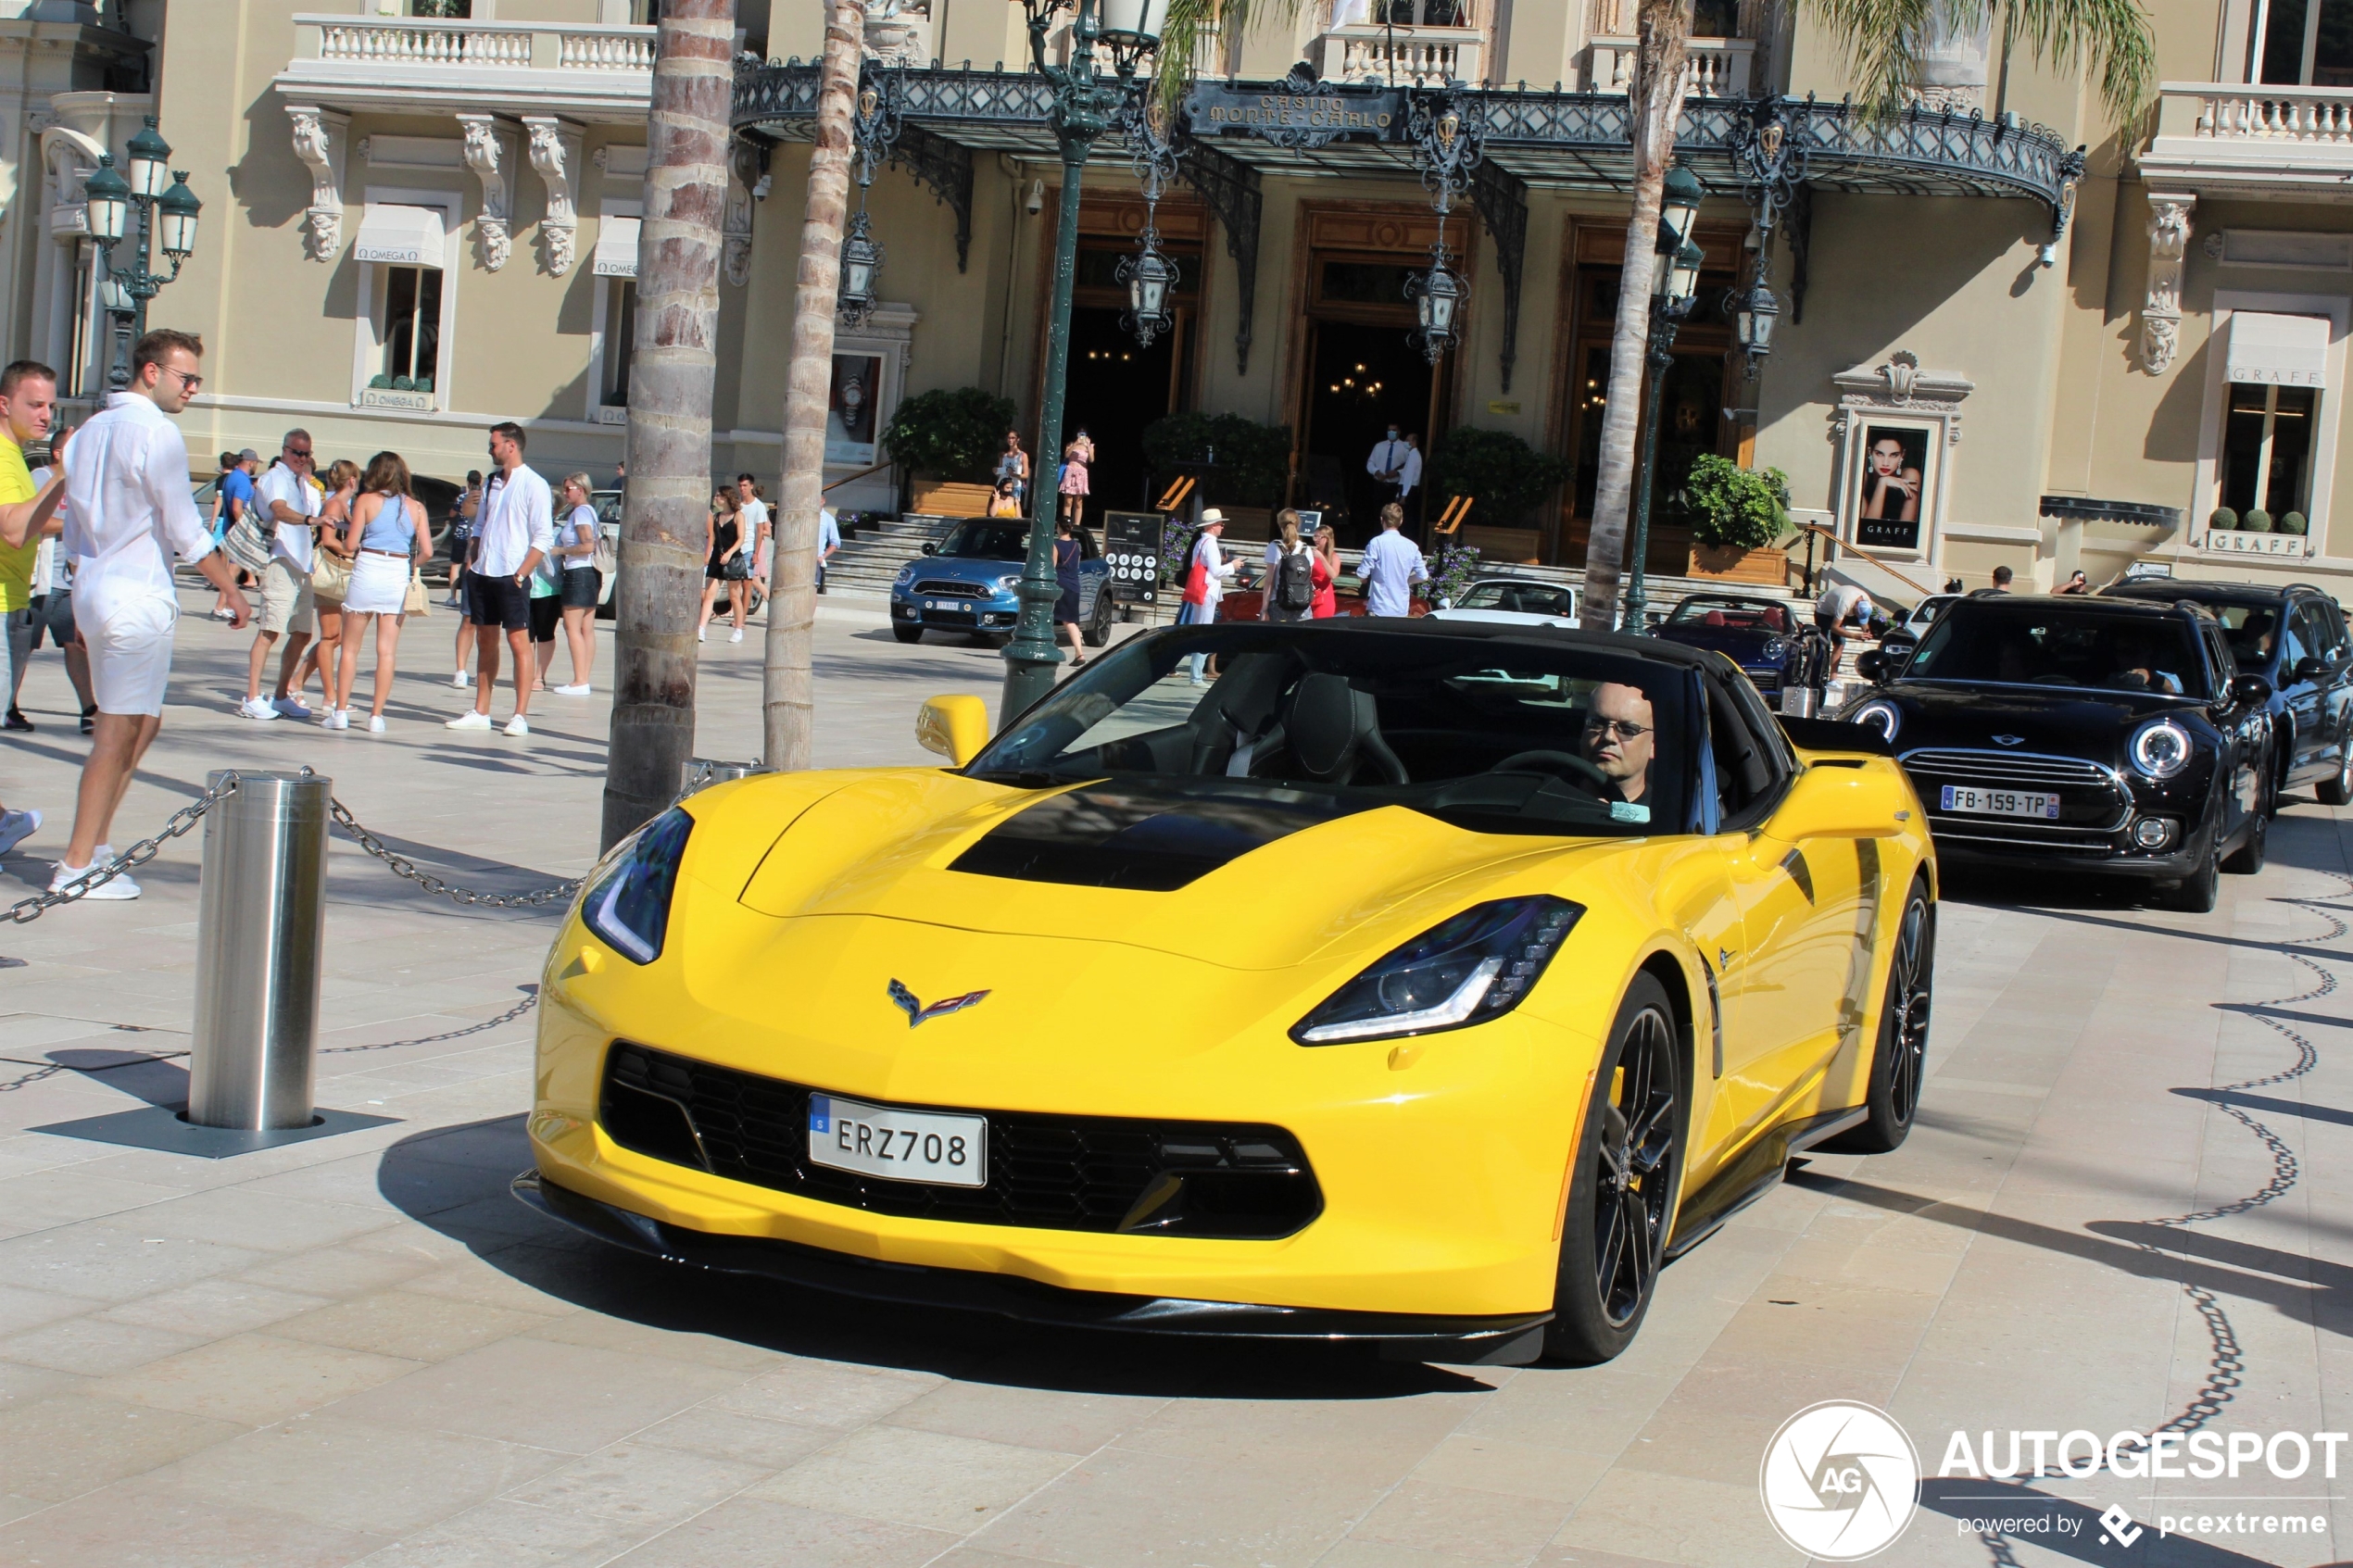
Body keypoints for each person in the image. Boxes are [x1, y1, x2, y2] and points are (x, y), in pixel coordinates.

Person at [49, 329, 250, 897]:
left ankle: (98, 843)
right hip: (134, 594)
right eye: (186, 379)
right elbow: (184, 528)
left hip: (97, 588)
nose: (193, 390)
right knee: (116, 732)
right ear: (152, 372)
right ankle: (76, 864)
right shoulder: (157, 433)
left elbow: (78, 522)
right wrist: (231, 590)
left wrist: (82, 588)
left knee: (142, 721)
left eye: (198, 381)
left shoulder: (88, 431)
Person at [0, 360, 71, 855]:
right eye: (35, 404)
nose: (46, 415)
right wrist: (65, 472)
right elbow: (12, 526)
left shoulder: (17, 458)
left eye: (50, 405)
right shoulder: (4, 458)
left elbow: (33, 522)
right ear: (5, 404)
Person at [447, 420, 551, 736]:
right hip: (483, 573)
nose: (489, 449)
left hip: (512, 575)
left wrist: (522, 574)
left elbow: (543, 537)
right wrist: (472, 561)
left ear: (511, 445)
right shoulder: (491, 482)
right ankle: (481, 709)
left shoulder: (534, 484)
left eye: (493, 444)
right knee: (485, 640)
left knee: (519, 641)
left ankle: (520, 714)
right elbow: (480, 526)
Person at [331, 451, 428, 732]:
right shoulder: (416, 507)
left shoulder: (365, 500)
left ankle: (340, 712)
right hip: (396, 573)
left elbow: (350, 544)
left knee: (350, 649)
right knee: (386, 652)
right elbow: (428, 551)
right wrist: (410, 565)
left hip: (368, 567)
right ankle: (376, 716)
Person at [236, 430, 321, 721]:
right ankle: (251, 697)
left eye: (306, 453)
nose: (301, 458)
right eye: (296, 452)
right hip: (279, 561)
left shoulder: (300, 482)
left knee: (302, 633)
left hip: (300, 565)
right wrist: (311, 520)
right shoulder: (276, 478)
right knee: (269, 631)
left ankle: (282, 696)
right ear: (284, 451)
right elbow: (280, 511)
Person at [23, 454, 94, 739]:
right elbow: (35, 520)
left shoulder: (84, 482)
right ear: (58, 453)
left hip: (71, 582)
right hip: (40, 581)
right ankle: (8, 705)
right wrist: (73, 527)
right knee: (21, 648)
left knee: (75, 645)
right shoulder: (41, 478)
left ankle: (89, 709)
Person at [290, 458, 359, 721]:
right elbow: (328, 539)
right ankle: (330, 697)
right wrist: (352, 551)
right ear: (351, 480)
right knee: (331, 636)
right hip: (330, 574)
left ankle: (297, 682)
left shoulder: (344, 504)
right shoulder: (334, 503)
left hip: (339, 575)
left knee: (335, 637)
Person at [550, 473, 598, 695]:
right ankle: (583, 679)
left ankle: (580, 680)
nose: (566, 493)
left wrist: (561, 550)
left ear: (581, 489)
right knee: (586, 628)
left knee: (572, 626)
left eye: (569, 488)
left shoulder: (580, 513)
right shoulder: (589, 511)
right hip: (590, 573)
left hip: (578, 572)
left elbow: (587, 545)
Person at [1177, 509, 1233, 685]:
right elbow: (1215, 571)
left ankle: (1196, 674)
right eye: (1220, 524)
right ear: (1212, 526)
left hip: (1202, 589)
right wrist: (1232, 565)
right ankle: (1196, 676)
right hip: (1207, 590)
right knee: (1204, 631)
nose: (1222, 527)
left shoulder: (1201, 542)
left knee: (1200, 629)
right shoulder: (1210, 543)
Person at [1580, 683, 1654, 810]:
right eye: (1597, 724)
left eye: (1627, 729)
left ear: (1654, 745)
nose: (1608, 737)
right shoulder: (1545, 792)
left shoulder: (1666, 819)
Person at [1359, 502, 1427, 618]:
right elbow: (1423, 576)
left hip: (1379, 606)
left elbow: (1363, 572)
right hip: (1401, 608)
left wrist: (1363, 579)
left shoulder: (1376, 542)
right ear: (1400, 521)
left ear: (1382, 520)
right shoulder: (1411, 546)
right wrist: (1407, 580)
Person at [698, 487, 747, 643]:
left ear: (726, 498)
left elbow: (741, 539)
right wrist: (707, 555)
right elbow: (712, 537)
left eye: (719, 496)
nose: (716, 498)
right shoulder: (716, 516)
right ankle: (701, 628)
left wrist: (729, 553)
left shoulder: (738, 516)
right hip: (716, 558)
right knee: (709, 596)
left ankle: (738, 629)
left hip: (732, 559)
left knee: (734, 596)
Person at [1264, 509, 1315, 623]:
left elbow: (1269, 582)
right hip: (1302, 606)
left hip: (1278, 604)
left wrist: (1264, 609)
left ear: (1279, 524)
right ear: (1298, 524)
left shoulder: (1274, 547)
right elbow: (1308, 577)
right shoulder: (1306, 549)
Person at [1814, 580, 1873, 675]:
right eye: (1857, 615)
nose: (1857, 617)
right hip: (1824, 609)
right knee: (1824, 643)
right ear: (1855, 608)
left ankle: (1833, 679)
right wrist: (1854, 636)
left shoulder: (1866, 601)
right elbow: (1834, 627)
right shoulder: (1845, 603)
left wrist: (1867, 632)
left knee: (1840, 644)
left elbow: (1863, 620)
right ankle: (1818, 674)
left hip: (1837, 609)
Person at [1366, 425, 1420, 526]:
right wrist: (1377, 472)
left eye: (1394, 430)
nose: (1391, 432)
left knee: (1393, 516)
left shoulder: (1405, 447)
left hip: (1395, 486)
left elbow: (1408, 467)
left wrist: (1397, 472)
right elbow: (1370, 463)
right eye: (1389, 430)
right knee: (1377, 515)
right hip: (1380, 485)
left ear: (1399, 432)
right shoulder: (1379, 446)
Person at [1858, 435, 1920, 522]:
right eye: (1880, 454)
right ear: (1870, 452)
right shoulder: (1863, 476)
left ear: (1902, 455)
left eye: (1894, 455)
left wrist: (1883, 481)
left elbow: (1906, 526)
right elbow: (1867, 526)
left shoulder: (1910, 475)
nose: (1885, 463)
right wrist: (1882, 483)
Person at [1053, 515, 1086, 670]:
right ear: (1071, 528)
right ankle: (1079, 653)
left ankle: (1079, 654)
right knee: (1071, 620)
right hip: (1074, 585)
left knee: (1064, 620)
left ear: (1058, 527)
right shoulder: (1076, 546)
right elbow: (1076, 565)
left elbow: (1052, 567)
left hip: (1061, 584)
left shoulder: (1056, 545)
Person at [1058, 429, 1092, 528]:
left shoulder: (1089, 446)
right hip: (1070, 472)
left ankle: (1077, 525)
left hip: (1081, 474)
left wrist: (1088, 446)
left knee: (1078, 501)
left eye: (1083, 434)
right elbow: (1066, 455)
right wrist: (1075, 444)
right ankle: (1066, 524)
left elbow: (1091, 459)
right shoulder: (1071, 444)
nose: (1081, 436)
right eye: (1080, 434)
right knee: (1068, 501)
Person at [1310, 522, 1340, 619]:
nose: (1316, 540)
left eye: (1318, 537)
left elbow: (1333, 575)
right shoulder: (1311, 553)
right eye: (1314, 537)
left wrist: (1322, 558)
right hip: (1310, 594)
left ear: (1326, 539)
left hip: (1324, 597)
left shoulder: (1333, 557)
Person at [997, 429, 1030, 508]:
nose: (1010, 440)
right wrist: (996, 471)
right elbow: (1000, 472)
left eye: (1013, 438)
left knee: (1013, 507)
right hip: (1003, 485)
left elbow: (1026, 475)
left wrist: (1014, 474)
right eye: (1009, 438)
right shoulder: (1003, 455)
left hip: (1015, 485)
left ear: (1017, 439)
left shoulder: (1022, 455)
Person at [817, 502, 841, 594]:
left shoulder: (828, 519)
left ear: (823, 501)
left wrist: (823, 557)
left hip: (816, 561)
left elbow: (835, 542)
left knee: (813, 590)